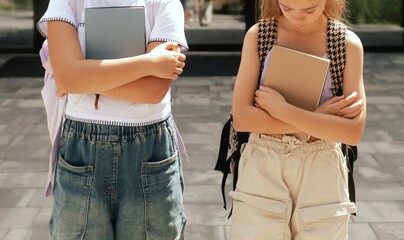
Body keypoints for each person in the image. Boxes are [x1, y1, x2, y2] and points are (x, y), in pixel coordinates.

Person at [36, 0, 188, 239]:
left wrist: (84, 77)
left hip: (150, 149)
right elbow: (67, 78)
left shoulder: (164, 2)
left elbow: (152, 91)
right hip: (82, 147)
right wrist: (148, 63)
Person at [230, 0, 366, 239]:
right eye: (286, 7)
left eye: (309, 9)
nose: (297, 17)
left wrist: (282, 110)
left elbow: (352, 133)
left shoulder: (345, 44)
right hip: (264, 164)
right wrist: (318, 119)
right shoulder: (260, 35)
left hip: (322, 167)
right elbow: (242, 118)